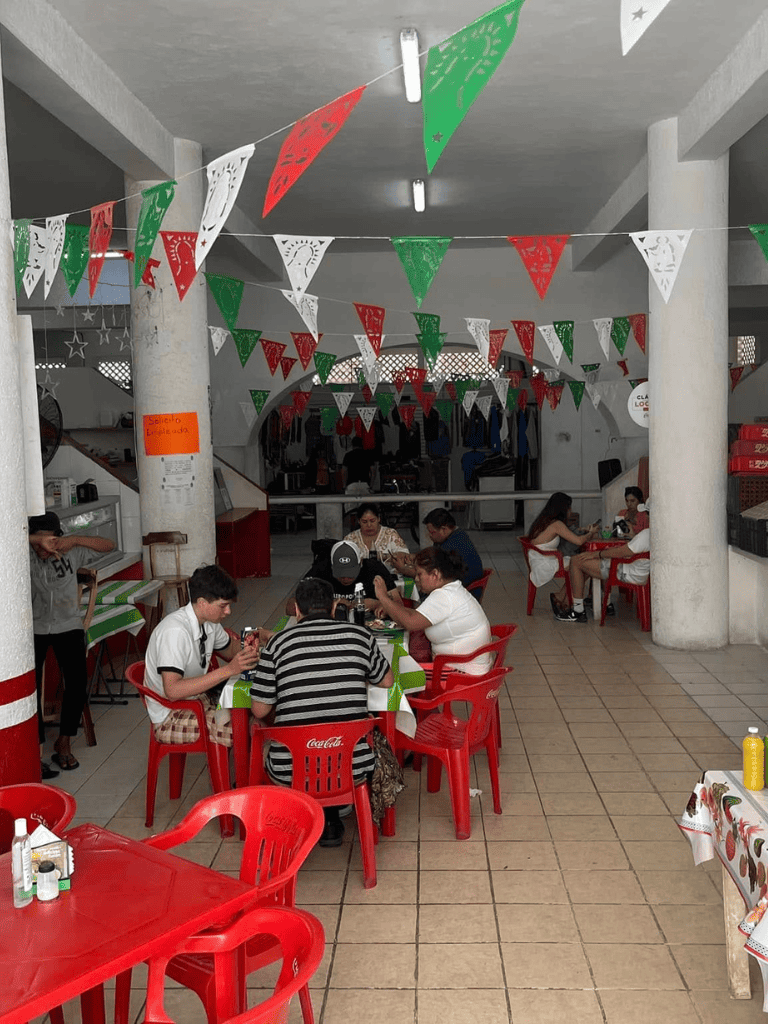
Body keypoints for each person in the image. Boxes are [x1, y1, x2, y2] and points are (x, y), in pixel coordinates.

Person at [250, 577, 393, 847]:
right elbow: (386, 681)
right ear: (333, 608)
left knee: (263, 727)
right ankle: (333, 811)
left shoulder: (277, 644)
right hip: (353, 766)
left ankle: (306, 814)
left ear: (297, 611)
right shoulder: (360, 636)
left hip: (290, 767)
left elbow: (259, 708)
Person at [29, 511, 116, 776]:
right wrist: (34, 541)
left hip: (69, 626)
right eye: (38, 543)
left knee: (77, 683)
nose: (45, 549)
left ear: (59, 538)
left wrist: (74, 540)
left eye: (51, 542)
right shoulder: (24, 555)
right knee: (29, 688)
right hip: (33, 628)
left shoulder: (72, 552)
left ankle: (64, 742)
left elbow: (109, 546)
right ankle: (37, 750)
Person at [143, 565, 266, 750]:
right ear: (202, 603)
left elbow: (230, 650)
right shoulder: (174, 632)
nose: (228, 612)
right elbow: (173, 690)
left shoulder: (208, 622)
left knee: (259, 711)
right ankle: (243, 777)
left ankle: (247, 772)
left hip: (197, 698)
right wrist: (230, 670)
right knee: (246, 728)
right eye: (223, 606)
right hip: (171, 713)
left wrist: (257, 637)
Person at [373, 546, 492, 674]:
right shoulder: (452, 589)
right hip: (470, 666)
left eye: (419, 574)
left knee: (396, 670)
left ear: (435, 574)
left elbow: (410, 622)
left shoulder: (444, 596)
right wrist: (391, 607)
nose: (416, 579)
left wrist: (383, 597)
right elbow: (419, 614)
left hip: (462, 673)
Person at [526, 492, 600, 614]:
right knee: (585, 565)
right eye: (569, 508)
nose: (570, 511)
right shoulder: (557, 524)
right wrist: (591, 533)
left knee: (581, 563)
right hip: (546, 563)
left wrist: (583, 529)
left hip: (539, 560)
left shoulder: (544, 520)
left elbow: (568, 532)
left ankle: (562, 597)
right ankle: (564, 598)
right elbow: (579, 541)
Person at [556, 528, 651, 623]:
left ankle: (578, 611)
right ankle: (605, 603)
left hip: (626, 572)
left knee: (576, 561)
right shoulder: (655, 534)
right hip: (638, 571)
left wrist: (596, 554)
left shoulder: (646, 534)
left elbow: (621, 552)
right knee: (587, 561)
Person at [286, 540, 402, 616]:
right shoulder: (320, 569)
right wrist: (330, 605)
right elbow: (290, 607)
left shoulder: (375, 569)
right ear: (331, 566)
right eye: (340, 573)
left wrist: (379, 604)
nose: (346, 578)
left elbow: (399, 605)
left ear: (360, 563)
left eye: (351, 573)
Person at [392, 508, 483, 591]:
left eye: (432, 532)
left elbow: (430, 576)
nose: (430, 536)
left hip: (463, 588)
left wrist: (403, 569)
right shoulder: (457, 535)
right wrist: (413, 557)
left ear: (444, 529)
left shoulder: (451, 545)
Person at [344, 502, 409, 571]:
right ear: (359, 521)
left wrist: (384, 557)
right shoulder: (350, 539)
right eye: (364, 522)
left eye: (372, 521)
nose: (369, 525)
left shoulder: (391, 534)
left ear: (378, 519)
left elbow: (406, 558)